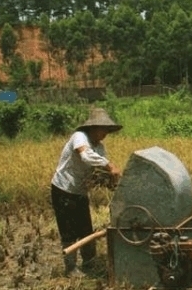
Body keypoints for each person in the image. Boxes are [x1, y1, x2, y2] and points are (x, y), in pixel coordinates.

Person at [50, 107, 123, 277]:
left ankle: (90, 263)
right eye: (102, 129)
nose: (105, 133)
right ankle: (70, 268)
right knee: (68, 230)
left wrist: (111, 182)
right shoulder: (80, 137)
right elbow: (86, 157)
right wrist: (110, 166)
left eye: (107, 130)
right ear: (93, 127)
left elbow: (97, 172)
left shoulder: (101, 148)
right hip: (63, 189)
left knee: (85, 228)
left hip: (80, 191)